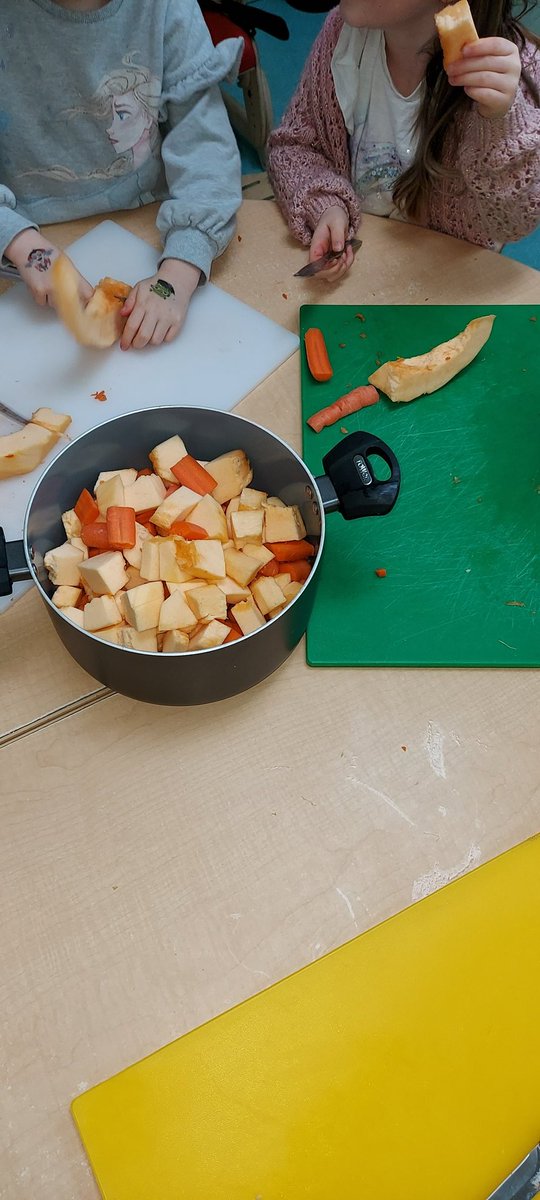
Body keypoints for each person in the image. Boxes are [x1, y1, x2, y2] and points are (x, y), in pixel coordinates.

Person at [0, 0, 243, 348]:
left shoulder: (167, 8)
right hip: (17, 247)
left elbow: (206, 153)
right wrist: (20, 243)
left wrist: (177, 273)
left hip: (148, 227)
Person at [267, 0, 540, 280]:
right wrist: (326, 203)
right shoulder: (342, 36)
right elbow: (294, 146)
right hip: (365, 276)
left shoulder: (516, 73)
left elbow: (511, 222)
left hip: (453, 286)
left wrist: (500, 120)